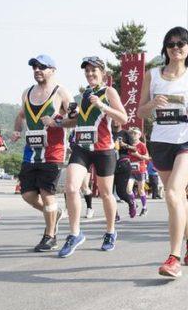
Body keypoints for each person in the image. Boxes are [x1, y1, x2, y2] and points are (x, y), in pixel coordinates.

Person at [138, 27, 188, 278]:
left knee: (172, 193)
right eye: (171, 44)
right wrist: (152, 104)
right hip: (160, 142)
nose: (176, 48)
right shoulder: (152, 75)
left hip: (187, 140)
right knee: (176, 198)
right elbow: (140, 112)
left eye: (181, 44)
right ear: (165, 48)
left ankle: (174, 257)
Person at [55, 56, 127, 257]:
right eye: (87, 71)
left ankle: (111, 231)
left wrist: (103, 106)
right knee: (70, 188)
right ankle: (75, 233)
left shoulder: (109, 92)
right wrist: (59, 122)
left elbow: (123, 118)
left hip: (104, 149)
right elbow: (78, 121)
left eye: (94, 70)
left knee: (105, 194)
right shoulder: (85, 94)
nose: (90, 74)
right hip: (82, 148)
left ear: (102, 73)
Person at [12, 54, 74, 252]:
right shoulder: (27, 92)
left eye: (42, 67)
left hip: (53, 152)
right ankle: (55, 212)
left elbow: (76, 118)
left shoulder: (61, 92)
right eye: (34, 67)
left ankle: (50, 236)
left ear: (53, 70)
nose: (37, 70)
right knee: (28, 195)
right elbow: (21, 115)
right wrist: (16, 130)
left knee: (48, 195)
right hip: (30, 152)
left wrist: (57, 122)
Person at [114, 125, 138, 219]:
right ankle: (115, 214)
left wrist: (125, 145)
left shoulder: (125, 133)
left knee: (121, 192)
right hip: (108, 162)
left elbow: (135, 149)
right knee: (108, 193)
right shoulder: (106, 130)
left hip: (123, 162)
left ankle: (131, 202)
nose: (115, 121)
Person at [128, 127, 151, 216]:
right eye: (131, 133)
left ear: (139, 135)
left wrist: (138, 155)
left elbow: (147, 157)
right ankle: (134, 203)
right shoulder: (128, 144)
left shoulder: (142, 145)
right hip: (130, 169)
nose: (133, 135)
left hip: (140, 169)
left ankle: (144, 207)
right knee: (128, 189)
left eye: (135, 133)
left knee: (141, 190)